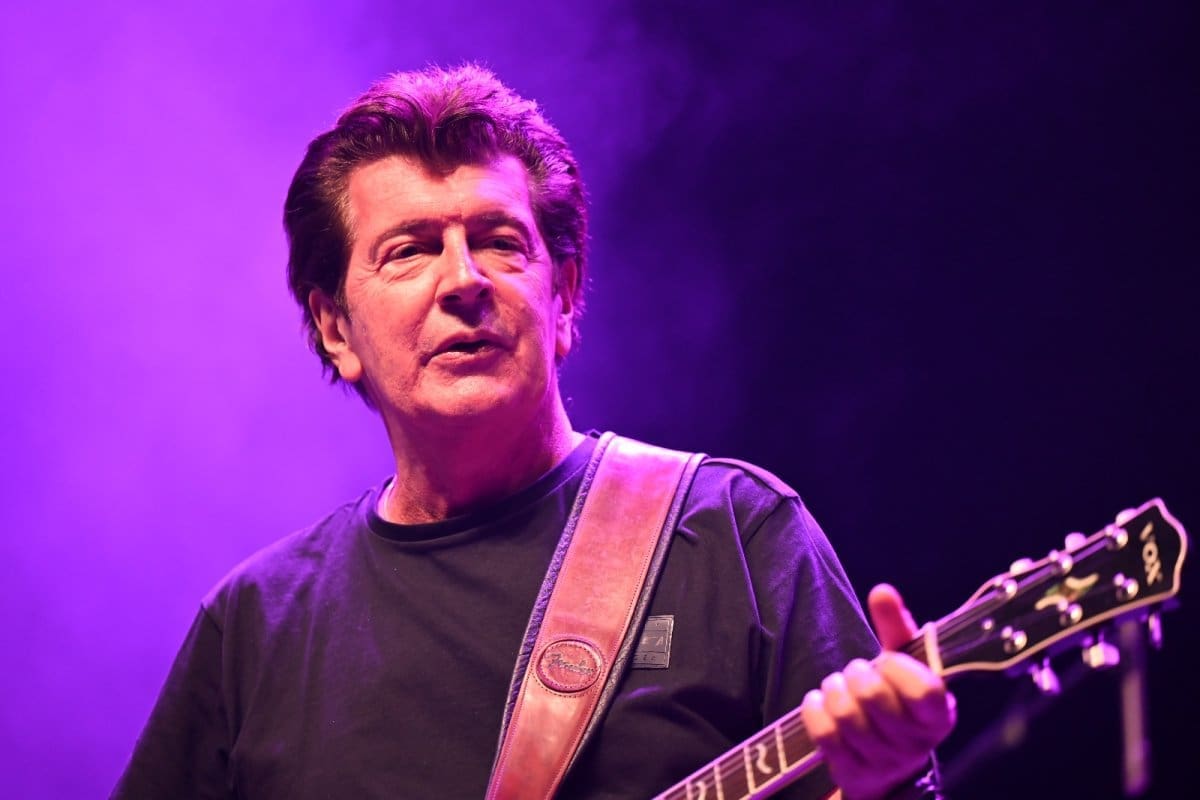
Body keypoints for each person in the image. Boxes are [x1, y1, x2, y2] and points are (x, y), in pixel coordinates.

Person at [112, 64, 955, 799]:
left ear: (565, 296)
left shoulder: (734, 533)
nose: (463, 280)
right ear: (336, 328)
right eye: (409, 250)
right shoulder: (255, 623)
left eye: (498, 241)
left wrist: (886, 779)